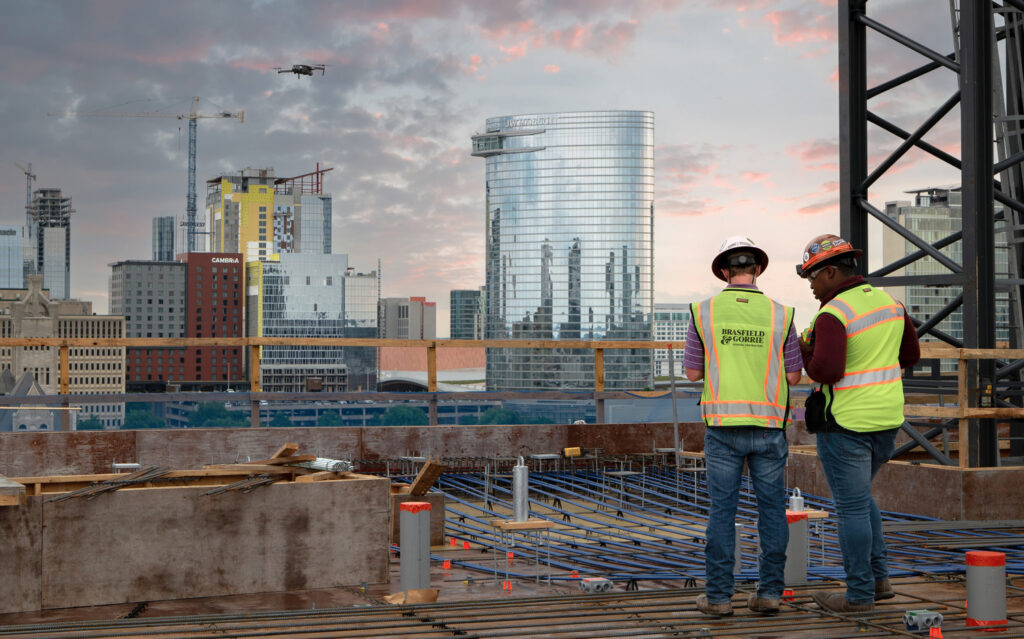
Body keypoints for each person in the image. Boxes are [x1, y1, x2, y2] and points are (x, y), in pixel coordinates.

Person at [795, 234, 920, 613]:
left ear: (830, 272)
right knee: (862, 501)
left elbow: (826, 371)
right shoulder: (890, 304)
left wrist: (805, 351)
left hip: (846, 424)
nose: (812, 287)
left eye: (813, 278)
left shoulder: (834, 313)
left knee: (850, 508)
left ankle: (859, 594)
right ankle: (879, 581)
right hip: (885, 421)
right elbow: (910, 354)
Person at [685, 236, 804, 617]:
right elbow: (794, 375)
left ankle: (719, 598)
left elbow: (691, 372)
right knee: (771, 511)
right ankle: (769, 593)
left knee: (722, 513)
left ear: (724, 271)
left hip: (722, 427)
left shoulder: (702, 312)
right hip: (769, 427)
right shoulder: (782, 314)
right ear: (757, 271)